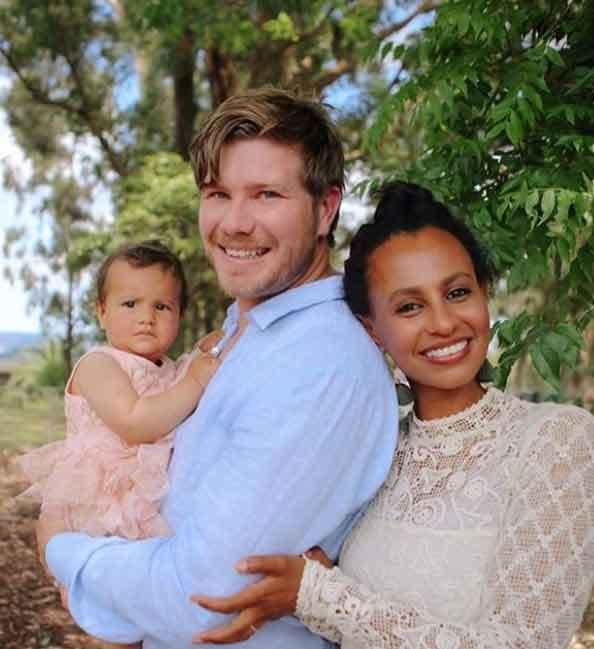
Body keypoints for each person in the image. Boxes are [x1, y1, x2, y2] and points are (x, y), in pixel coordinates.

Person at [37, 88, 398, 649]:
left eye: (266, 195)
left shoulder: (321, 362)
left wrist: (62, 550)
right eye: (218, 193)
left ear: (326, 209)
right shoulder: (241, 334)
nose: (234, 223)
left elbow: (202, 602)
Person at [193, 182, 594, 649]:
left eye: (459, 292)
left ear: (484, 294)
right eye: (409, 306)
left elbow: (525, 643)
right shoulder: (373, 448)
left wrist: (319, 595)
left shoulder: (555, 440)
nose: (444, 323)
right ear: (372, 329)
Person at [18, 240, 220, 541]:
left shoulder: (169, 369)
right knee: (100, 578)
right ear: (101, 312)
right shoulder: (98, 365)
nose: (146, 318)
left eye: (162, 306)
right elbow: (134, 423)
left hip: (143, 501)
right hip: (98, 505)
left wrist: (214, 346)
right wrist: (195, 381)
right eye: (130, 304)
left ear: (179, 316)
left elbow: (183, 377)